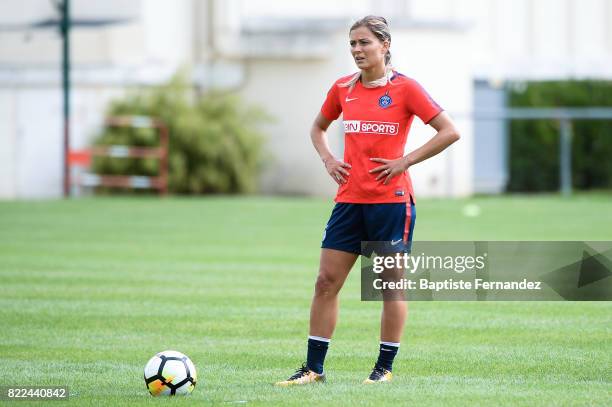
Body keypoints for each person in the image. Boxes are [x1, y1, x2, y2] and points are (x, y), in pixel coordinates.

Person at [275, 15, 460, 386]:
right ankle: (314, 369)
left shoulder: (407, 89)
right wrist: (328, 159)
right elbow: (318, 127)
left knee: (390, 285)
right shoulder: (342, 88)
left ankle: (384, 369)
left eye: (364, 43)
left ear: (385, 45)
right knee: (326, 282)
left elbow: (449, 131)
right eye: (353, 44)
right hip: (348, 202)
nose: (357, 50)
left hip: (391, 204)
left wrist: (405, 161)